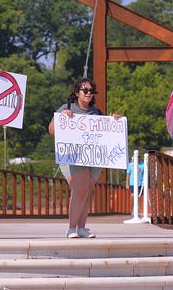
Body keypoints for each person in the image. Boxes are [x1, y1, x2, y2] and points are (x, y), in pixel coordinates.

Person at [48, 77, 120, 239]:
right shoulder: (66, 108)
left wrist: (114, 120)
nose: (88, 93)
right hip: (73, 157)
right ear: (76, 92)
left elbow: (107, 133)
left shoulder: (97, 113)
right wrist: (62, 119)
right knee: (80, 190)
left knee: (85, 192)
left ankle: (81, 228)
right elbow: (51, 130)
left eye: (91, 91)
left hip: (94, 158)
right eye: (85, 90)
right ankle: (71, 228)